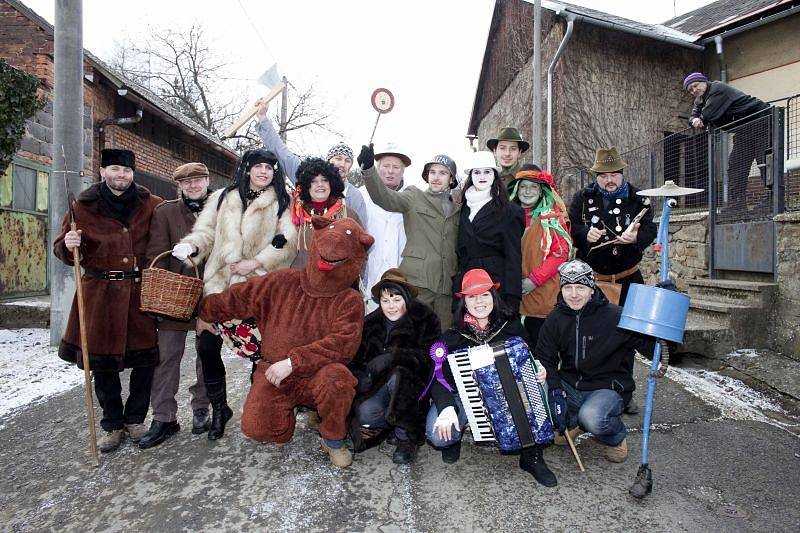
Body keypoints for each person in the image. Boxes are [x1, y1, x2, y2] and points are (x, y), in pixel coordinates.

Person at [198, 216, 374, 468]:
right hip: (274, 372)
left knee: (338, 381)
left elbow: (342, 344)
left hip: (318, 373)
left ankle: (332, 438)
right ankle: (283, 419)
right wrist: (204, 312)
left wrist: (293, 362)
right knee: (257, 428)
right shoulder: (282, 281)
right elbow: (239, 297)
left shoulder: (350, 300)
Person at [171, 149, 297, 440]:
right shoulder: (223, 198)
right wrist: (191, 247)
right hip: (219, 285)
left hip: (258, 289)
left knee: (261, 351)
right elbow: (205, 232)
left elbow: (287, 241)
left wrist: (256, 262)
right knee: (206, 346)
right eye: (258, 167)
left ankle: (260, 410)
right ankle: (219, 409)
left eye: (269, 168)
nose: (264, 172)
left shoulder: (282, 203)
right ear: (248, 169)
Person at [53, 148, 162, 453]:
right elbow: (62, 250)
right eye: (114, 169)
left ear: (133, 173)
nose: (121, 175)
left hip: (139, 294)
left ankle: (136, 419)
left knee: (145, 360)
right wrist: (68, 244)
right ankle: (112, 424)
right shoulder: (82, 207)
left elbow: (172, 229)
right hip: (99, 294)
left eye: (126, 170)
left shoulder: (150, 204)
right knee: (102, 364)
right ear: (102, 171)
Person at [427, 269, 554, 486]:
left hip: (508, 396)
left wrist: (539, 367)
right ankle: (453, 441)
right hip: (468, 399)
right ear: (464, 302)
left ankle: (531, 453)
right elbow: (437, 377)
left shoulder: (511, 326)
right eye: (472, 296)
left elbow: (533, 355)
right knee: (438, 434)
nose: (479, 301)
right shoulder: (453, 336)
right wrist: (447, 409)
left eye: (484, 294)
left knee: (539, 386)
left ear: (493, 297)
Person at [536, 260, 655, 465]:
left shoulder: (617, 316)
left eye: (580, 287)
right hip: (571, 385)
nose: (574, 294)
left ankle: (615, 437)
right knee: (537, 385)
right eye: (568, 288)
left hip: (607, 389)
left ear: (592, 289)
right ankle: (573, 423)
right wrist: (555, 390)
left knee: (592, 416)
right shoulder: (556, 318)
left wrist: (665, 315)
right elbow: (545, 358)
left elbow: (656, 351)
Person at [138, 162, 212, 449]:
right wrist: (176, 279)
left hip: (210, 295)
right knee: (167, 357)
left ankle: (201, 407)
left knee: (206, 355)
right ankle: (163, 417)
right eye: (186, 182)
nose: (192, 186)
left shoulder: (220, 210)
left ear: (206, 180)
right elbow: (155, 252)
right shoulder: (165, 212)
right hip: (174, 296)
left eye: (197, 180)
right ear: (179, 186)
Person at [358, 145, 460, 328]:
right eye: (432, 172)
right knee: (412, 333)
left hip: (445, 285)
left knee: (442, 338)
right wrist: (369, 171)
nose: (436, 177)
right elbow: (385, 198)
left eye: (443, 173)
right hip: (418, 282)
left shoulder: (457, 209)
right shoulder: (414, 196)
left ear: (451, 178)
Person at [348, 268, 440, 464]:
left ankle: (406, 436)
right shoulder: (370, 323)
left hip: (412, 390)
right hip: (379, 387)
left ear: (407, 298)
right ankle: (388, 425)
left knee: (400, 374)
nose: (391, 306)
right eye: (385, 300)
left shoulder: (425, 319)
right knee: (365, 413)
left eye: (397, 299)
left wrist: (393, 357)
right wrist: (360, 376)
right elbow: (355, 359)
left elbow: (429, 359)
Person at [255, 99, 368, 225]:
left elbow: (360, 233)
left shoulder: (354, 196)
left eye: (347, 160)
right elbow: (282, 154)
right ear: (328, 161)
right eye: (338, 158)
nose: (342, 164)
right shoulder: (306, 176)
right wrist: (263, 119)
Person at [568, 147, 657, 306]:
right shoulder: (582, 197)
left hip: (628, 279)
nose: (609, 180)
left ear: (622, 174)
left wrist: (636, 238)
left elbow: (650, 229)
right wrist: (585, 234)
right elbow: (571, 227)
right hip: (591, 281)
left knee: (629, 328)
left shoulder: (637, 198)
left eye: (614, 175)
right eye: (603, 176)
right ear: (597, 177)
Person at [683, 72, 770, 212]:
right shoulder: (700, 100)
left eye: (695, 85)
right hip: (743, 130)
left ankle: (773, 199)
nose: (694, 90)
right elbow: (694, 114)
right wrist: (694, 119)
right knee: (736, 166)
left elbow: (710, 113)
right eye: (690, 90)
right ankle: (737, 204)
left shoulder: (718, 88)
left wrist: (701, 120)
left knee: (765, 161)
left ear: (704, 81)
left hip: (762, 121)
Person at [508, 164, 572, 347]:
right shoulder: (508, 216)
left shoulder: (551, 218)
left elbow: (560, 254)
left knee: (541, 350)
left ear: (541, 190)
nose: (528, 191)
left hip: (541, 295)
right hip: (513, 296)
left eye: (533, 186)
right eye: (523, 186)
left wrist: (533, 280)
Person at [454, 150, 524, 313]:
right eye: (477, 172)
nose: (482, 176)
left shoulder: (510, 211)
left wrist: (512, 297)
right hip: (468, 283)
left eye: (487, 171)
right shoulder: (463, 208)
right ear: (471, 176)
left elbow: (514, 256)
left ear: (494, 175)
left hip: (497, 284)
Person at [358, 142, 409, 308]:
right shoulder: (361, 195)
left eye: (396, 167)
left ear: (403, 171)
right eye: (386, 165)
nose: (390, 171)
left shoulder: (413, 198)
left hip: (400, 281)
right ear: (377, 167)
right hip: (368, 279)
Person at [290, 157, 361, 269]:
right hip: (299, 281)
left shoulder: (348, 215)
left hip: (336, 283)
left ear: (332, 183)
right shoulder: (296, 214)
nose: (320, 185)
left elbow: (360, 253)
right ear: (306, 186)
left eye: (324, 180)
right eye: (313, 181)